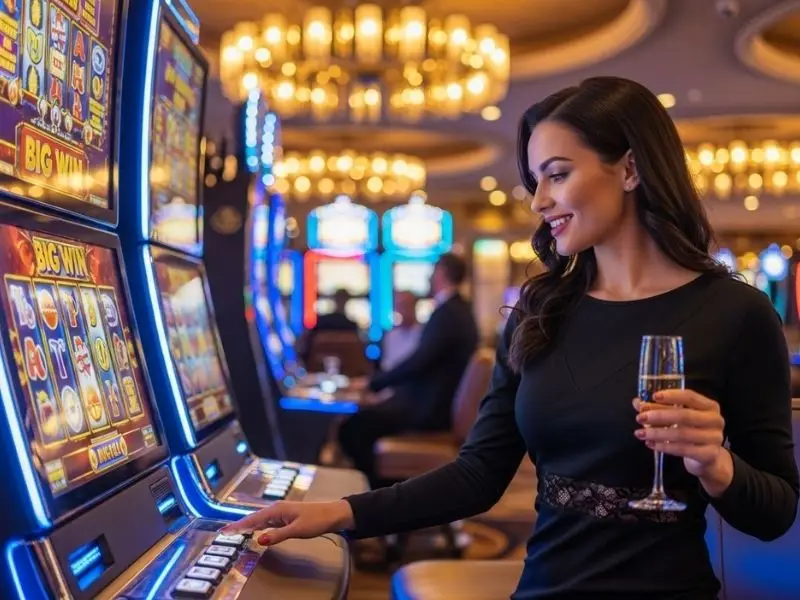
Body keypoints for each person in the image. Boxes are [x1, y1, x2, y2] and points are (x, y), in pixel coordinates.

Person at [223, 77, 799, 599]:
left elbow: (776, 512)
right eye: (534, 180)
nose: (538, 200)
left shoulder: (736, 312)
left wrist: (716, 465)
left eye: (557, 174)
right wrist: (338, 512)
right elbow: (478, 475)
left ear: (630, 169)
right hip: (542, 589)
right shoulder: (540, 311)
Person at [336, 252, 478, 487]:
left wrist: (373, 383)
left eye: (433, 272)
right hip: (436, 403)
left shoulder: (448, 313)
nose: (430, 278)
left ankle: (380, 499)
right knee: (362, 420)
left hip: (430, 410)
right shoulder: (460, 310)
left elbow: (418, 362)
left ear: (441, 273)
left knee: (352, 428)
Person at [298, 288, 359, 363]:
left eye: (342, 298)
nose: (341, 300)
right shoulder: (351, 325)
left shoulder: (351, 325)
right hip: (318, 364)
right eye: (340, 298)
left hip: (320, 365)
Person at [380, 290, 422, 372]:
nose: (401, 311)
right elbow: (387, 367)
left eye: (405, 305)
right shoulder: (390, 335)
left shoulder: (425, 333)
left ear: (414, 306)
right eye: (398, 306)